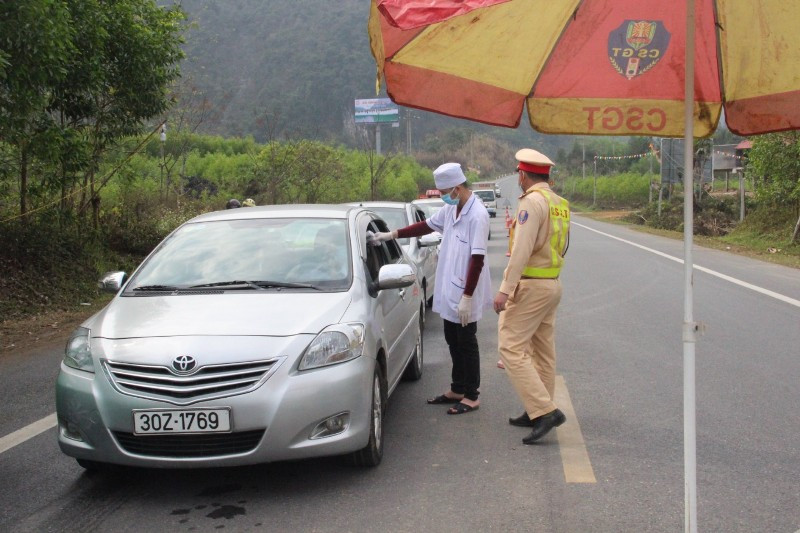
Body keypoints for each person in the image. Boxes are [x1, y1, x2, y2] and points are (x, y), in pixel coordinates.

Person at [370, 162, 492, 415]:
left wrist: (468, 296)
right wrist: (391, 235)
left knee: (466, 342)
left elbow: (477, 258)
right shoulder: (452, 209)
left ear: (457, 188)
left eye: (446, 191)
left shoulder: (477, 214)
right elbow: (426, 225)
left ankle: (471, 395)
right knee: (452, 339)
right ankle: (457, 388)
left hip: (466, 289)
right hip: (451, 287)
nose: (445, 197)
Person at [494, 148, 570, 444]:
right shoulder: (559, 203)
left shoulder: (531, 203)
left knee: (510, 347)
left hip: (531, 285)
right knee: (543, 351)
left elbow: (522, 250)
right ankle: (536, 408)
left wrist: (505, 289)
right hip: (551, 283)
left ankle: (543, 411)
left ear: (523, 175)